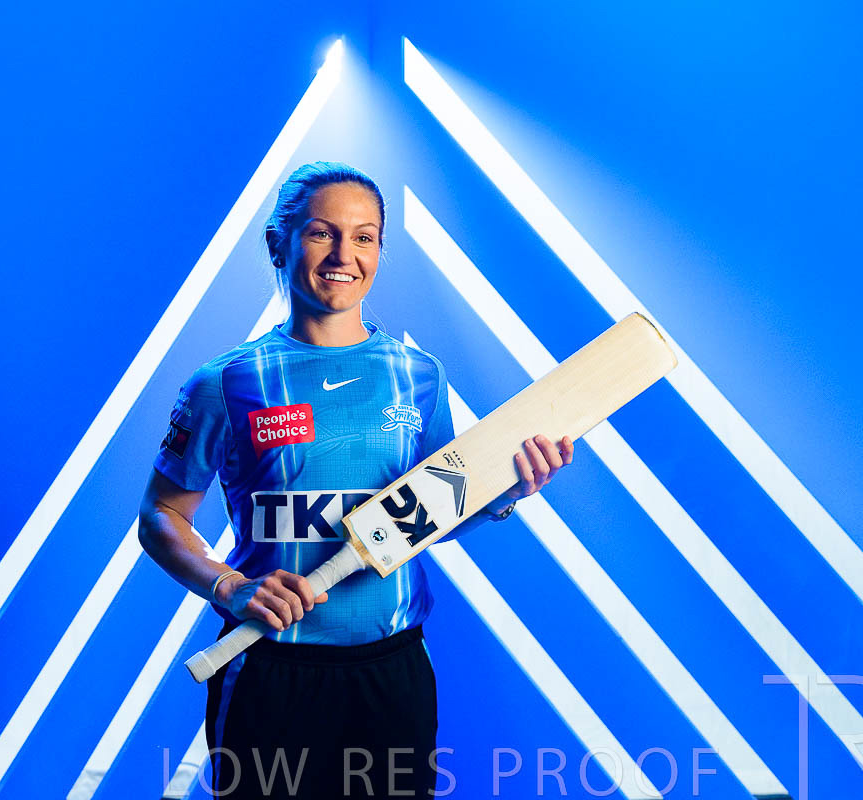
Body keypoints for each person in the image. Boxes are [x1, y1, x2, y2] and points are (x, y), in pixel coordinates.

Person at [139, 162, 573, 798]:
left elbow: (429, 512)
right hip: (268, 666)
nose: (345, 255)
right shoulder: (225, 383)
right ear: (278, 244)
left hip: (391, 670)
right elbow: (161, 515)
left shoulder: (418, 376)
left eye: (364, 237)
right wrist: (228, 586)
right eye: (322, 233)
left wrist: (502, 493)